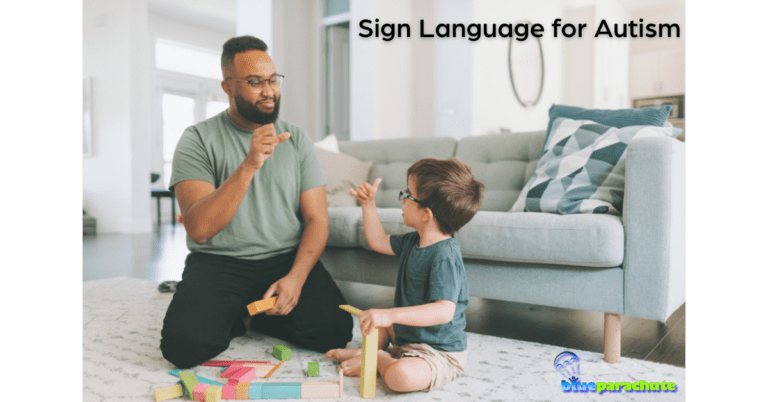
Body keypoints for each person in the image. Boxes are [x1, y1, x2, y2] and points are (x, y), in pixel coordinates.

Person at [160, 35, 353, 369]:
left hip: (284, 260)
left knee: (335, 331)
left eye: (273, 80)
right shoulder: (197, 139)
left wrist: (296, 277)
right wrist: (249, 165)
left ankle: (253, 314)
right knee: (183, 347)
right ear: (228, 86)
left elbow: (317, 220)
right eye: (255, 82)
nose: (269, 91)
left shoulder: (297, 139)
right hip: (219, 262)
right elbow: (200, 229)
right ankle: (241, 313)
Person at [327, 158, 485, 392]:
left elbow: (444, 310)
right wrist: (368, 204)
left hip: (437, 351)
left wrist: (390, 314)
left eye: (407, 194)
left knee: (400, 377)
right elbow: (378, 241)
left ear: (426, 214)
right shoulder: (413, 241)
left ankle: (378, 359)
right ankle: (372, 353)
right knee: (376, 323)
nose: (402, 199)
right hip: (404, 336)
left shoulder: (445, 255)